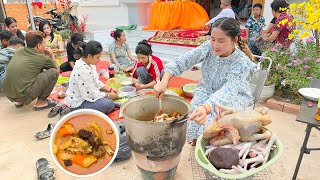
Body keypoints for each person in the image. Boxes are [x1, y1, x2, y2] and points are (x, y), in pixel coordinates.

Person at [154, 17, 256, 146]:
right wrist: (164, 81)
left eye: (221, 41)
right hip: (206, 90)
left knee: (208, 127)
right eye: (212, 39)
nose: (215, 45)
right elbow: (183, 61)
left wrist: (206, 107)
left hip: (232, 98)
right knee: (192, 122)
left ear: (234, 40)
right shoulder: (208, 47)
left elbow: (229, 90)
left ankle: (207, 148)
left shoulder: (241, 63)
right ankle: (197, 143)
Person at [2, 30, 59, 110]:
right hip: (23, 95)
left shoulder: (20, 50)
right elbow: (57, 70)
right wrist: (52, 55)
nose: (45, 45)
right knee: (54, 73)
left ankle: (19, 102)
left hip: (8, 93)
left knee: (28, 71)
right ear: (39, 45)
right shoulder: (42, 58)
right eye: (44, 43)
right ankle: (41, 102)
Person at [65, 41, 118, 114]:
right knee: (108, 104)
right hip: (78, 105)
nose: (99, 60)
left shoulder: (89, 64)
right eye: (97, 57)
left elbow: (96, 82)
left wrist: (110, 89)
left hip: (86, 97)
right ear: (89, 56)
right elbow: (90, 95)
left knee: (107, 99)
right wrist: (108, 95)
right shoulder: (82, 70)